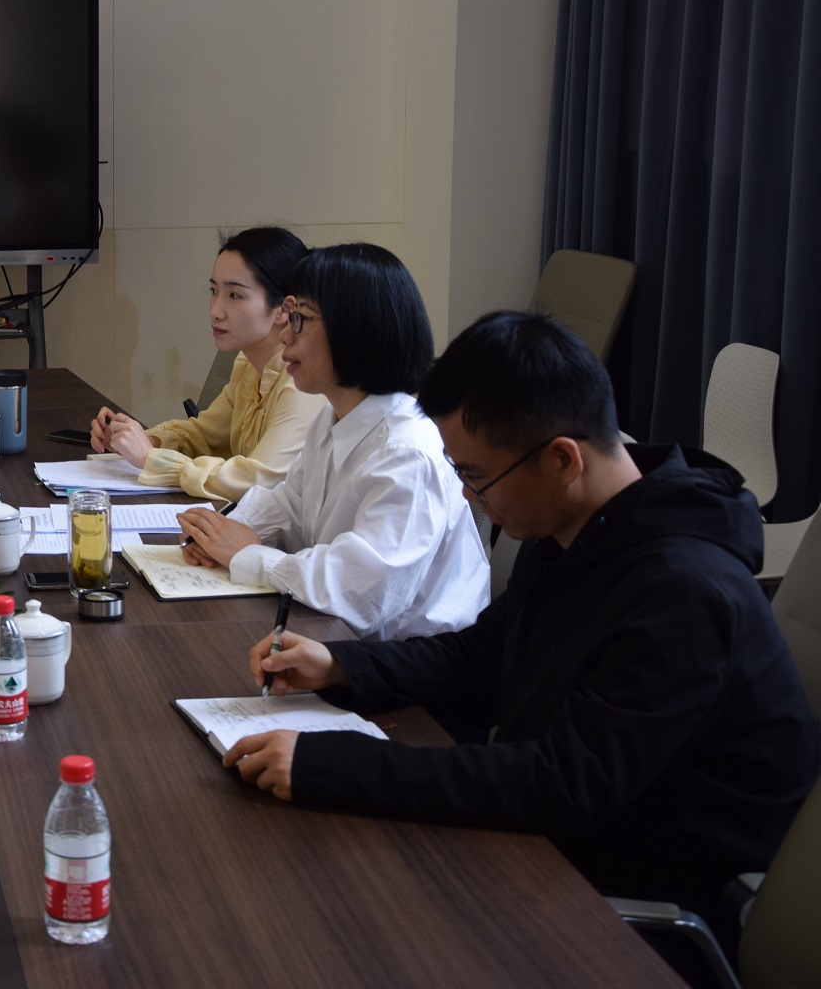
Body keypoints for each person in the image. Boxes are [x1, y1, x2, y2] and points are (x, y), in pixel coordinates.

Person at [221, 311, 820, 945]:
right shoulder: (581, 524)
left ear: (562, 460)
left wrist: (335, 766)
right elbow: (487, 657)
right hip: (557, 837)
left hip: (643, 897)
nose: (467, 497)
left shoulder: (684, 592)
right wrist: (343, 665)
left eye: (475, 477)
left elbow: (563, 785)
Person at [177, 243, 487, 640]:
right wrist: (220, 533)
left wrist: (246, 555)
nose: (284, 335)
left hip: (412, 664)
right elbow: (290, 506)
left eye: (299, 319)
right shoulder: (332, 417)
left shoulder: (406, 451)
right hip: (339, 639)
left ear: (355, 328)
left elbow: (359, 594)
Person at [90, 226, 326, 502]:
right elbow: (202, 436)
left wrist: (150, 458)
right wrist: (137, 440)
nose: (215, 310)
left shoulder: (304, 381)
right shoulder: (249, 364)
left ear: (284, 309)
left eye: (234, 295)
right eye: (214, 291)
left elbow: (259, 481)